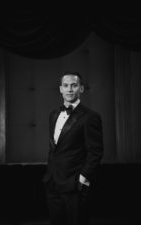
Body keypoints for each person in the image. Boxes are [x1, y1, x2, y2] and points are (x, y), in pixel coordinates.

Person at [42, 72, 104, 225]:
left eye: (74, 85)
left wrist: (82, 179)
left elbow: (95, 152)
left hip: (75, 185)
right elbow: (55, 149)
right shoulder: (54, 114)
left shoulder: (90, 116)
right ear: (60, 89)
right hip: (52, 183)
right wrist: (49, 176)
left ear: (81, 89)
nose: (70, 89)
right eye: (66, 86)